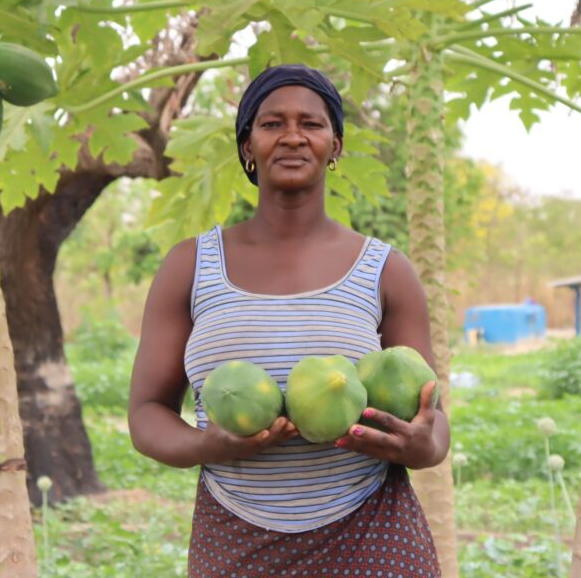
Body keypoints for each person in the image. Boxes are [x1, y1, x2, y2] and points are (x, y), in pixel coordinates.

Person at [128, 63, 450, 577]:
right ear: (246, 147)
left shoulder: (387, 270)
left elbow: (433, 428)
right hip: (235, 538)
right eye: (272, 123)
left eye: (313, 124)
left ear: (336, 146)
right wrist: (205, 445)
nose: (293, 137)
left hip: (371, 534)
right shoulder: (190, 266)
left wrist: (420, 446)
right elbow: (146, 413)